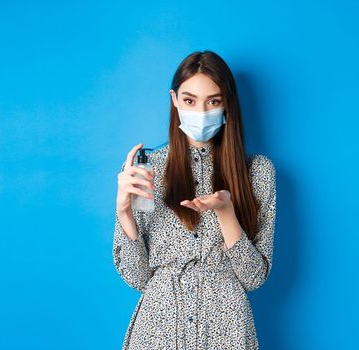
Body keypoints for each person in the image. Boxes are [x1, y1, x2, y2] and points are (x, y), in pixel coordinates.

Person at [113, 50, 276, 350]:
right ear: (174, 100)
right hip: (158, 330)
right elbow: (138, 278)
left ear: (227, 103)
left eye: (213, 101)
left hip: (227, 331)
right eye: (190, 100)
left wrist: (227, 213)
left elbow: (254, 278)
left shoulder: (257, 173)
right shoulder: (147, 170)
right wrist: (124, 214)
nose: (201, 112)